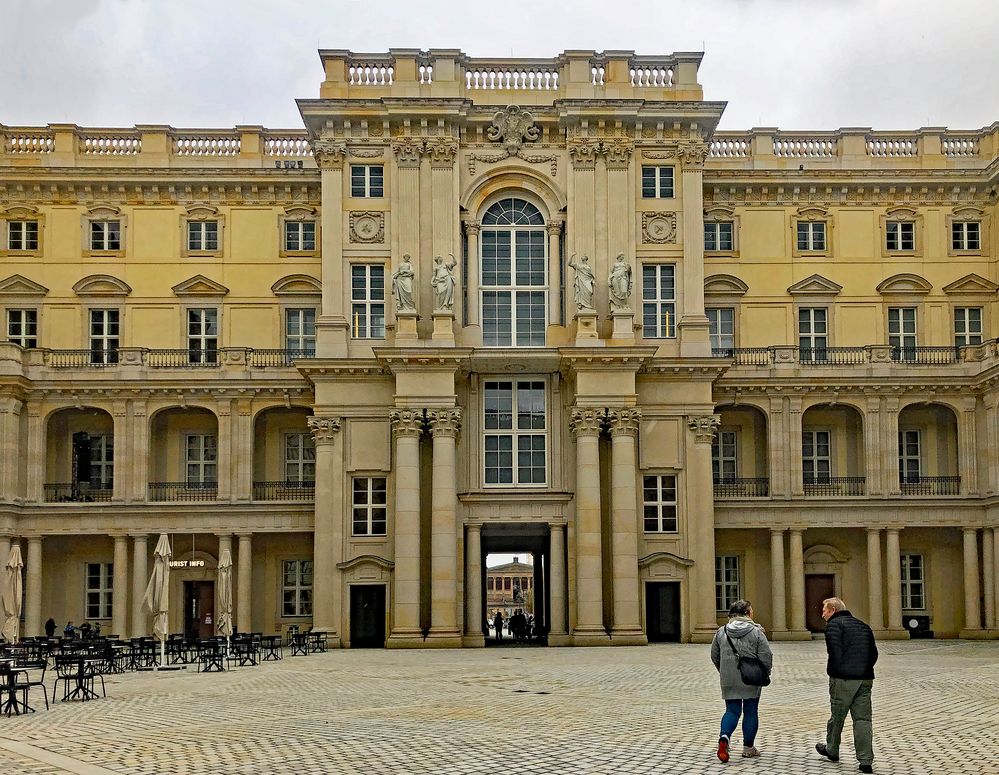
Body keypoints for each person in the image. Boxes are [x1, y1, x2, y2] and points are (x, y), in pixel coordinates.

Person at [815, 597, 878, 774]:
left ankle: (832, 750)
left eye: (824, 610)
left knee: (837, 716)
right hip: (865, 678)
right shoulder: (862, 625)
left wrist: (836, 671)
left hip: (843, 678)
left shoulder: (834, 625)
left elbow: (834, 651)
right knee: (863, 720)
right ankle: (865, 761)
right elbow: (873, 653)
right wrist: (864, 668)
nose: (822, 614)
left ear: (833, 610)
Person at [710, 599, 773, 762]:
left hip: (728, 678)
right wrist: (764, 673)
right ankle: (748, 748)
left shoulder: (721, 631)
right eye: (751, 611)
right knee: (751, 711)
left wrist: (724, 671)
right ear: (746, 613)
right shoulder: (756, 631)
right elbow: (766, 655)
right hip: (751, 677)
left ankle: (724, 737)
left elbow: (714, 656)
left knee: (732, 711)